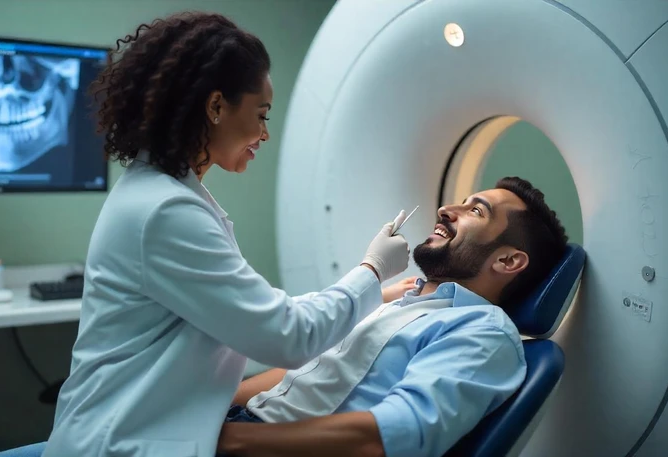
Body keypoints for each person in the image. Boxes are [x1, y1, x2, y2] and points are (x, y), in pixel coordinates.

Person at [42, 11, 411, 457]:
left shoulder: (163, 193)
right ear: (216, 106)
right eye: (261, 113)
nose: (265, 133)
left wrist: (378, 297)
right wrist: (372, 270)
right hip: (120, 443)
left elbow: (259, 313)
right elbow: (287, 336)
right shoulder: (167, 211)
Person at [215, 176, 570, 457]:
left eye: (476, 211)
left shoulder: (485, 332)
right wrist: (211, 409)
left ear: (507, 261)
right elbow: (302, 373)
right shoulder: (406, 299)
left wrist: (228, 439)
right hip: (241, 427)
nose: (446, 209)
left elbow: (385, 437)